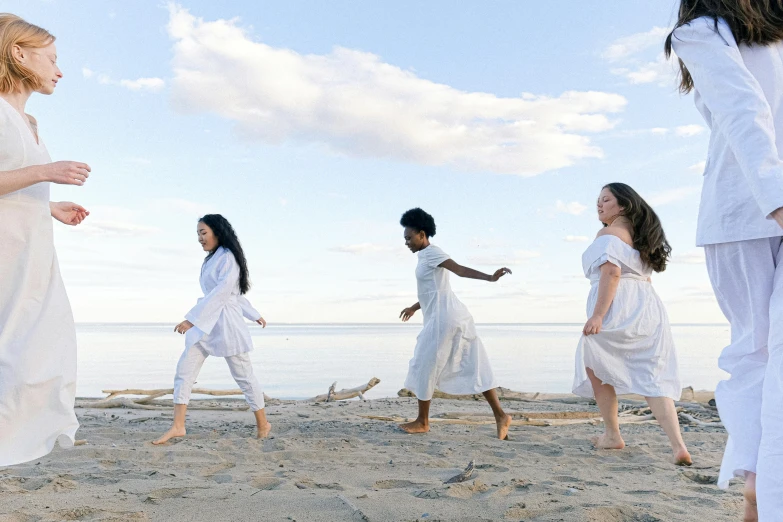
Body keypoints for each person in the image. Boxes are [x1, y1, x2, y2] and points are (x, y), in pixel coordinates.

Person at [666, 2, 783, 519]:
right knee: (756, 353)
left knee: (757, 355)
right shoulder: (702, 31)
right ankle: (758, 486)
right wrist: (776, 196)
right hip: (747, 211)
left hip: (749, 207)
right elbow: (741, 107)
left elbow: (747, 108)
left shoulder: (759, 35)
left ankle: (760, 487)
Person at [0, 14, 92, 466]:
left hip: (30, 248)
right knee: (14, 344)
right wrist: (46, 172)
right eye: (52, 59)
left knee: (44, 343)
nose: (59, 70)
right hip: (5, 252)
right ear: (19, 53)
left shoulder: (27, 120)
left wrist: (49, 205)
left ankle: (23, 436)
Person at [573, 184, 691, 466]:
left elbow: (611, 273)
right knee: (654, 377)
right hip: (648, 308)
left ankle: (612, 434)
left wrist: (598, 315)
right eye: (597, 201)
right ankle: (678, 446)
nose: (599, 205)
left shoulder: (608, 234)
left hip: (618, 306)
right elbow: (644, 279)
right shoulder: (641, 240)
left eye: (606, 200)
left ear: (623, 205)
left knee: (594, 365)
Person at [153, 215, 270, 444]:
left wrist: (192, 320)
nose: (200, 238)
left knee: (244, 377)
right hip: (207, 324)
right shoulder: (211, 259)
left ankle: (263, 423)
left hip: (226, 325)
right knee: (184, 371)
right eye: (198, 233)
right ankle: (178, 426)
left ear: (217, 231)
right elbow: (221, 294)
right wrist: (253, 314)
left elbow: (226, 294)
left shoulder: (228, 257)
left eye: (203, 232)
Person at [398, 207, 512, 439]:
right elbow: (433, 291)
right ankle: (501, 415)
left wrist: (490, 278)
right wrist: (414, 306)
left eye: (409, 238)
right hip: (447, 316)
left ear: (422, 234)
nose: (407, 242)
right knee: (472, 364)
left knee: (424, 364)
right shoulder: (424, 257)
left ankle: (423, 421)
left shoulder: (432, 253)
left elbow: (459, 270)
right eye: (405, 239)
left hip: (445, 319)